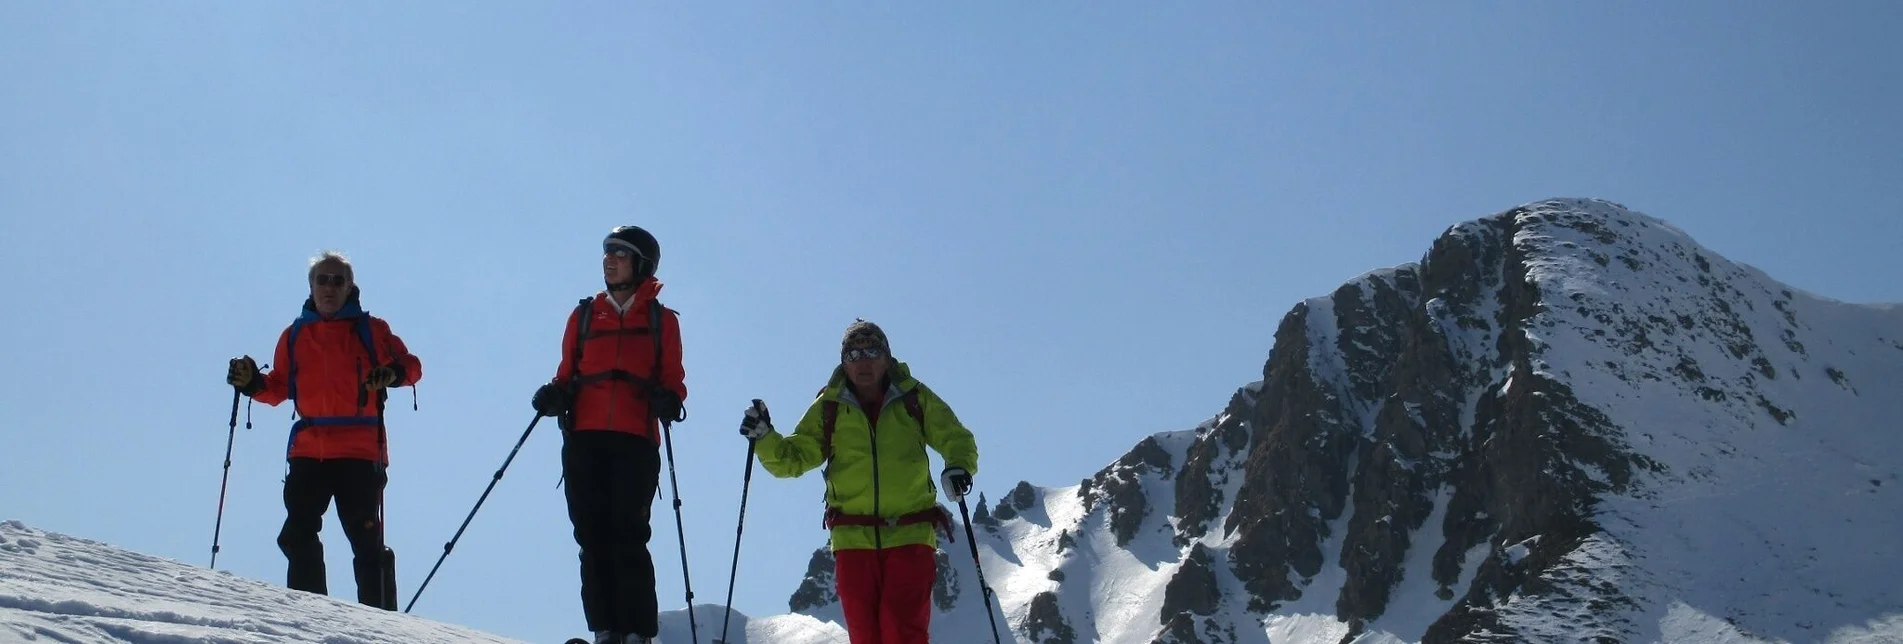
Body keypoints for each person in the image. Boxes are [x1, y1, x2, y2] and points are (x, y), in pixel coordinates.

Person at [741, 319, 979, 644]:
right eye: (853, 355)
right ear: (844, 363)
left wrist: (959, 466)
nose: (862, 361)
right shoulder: (830, 408)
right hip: (853, 538)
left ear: (887, 358)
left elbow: (955, 436)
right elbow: (792, 458)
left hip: (910, 533)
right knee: (865, 636)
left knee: (902, 629)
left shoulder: (914, 398)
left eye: (871, 351)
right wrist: (765, 437)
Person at [225, 250, 422, 610]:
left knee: (365, 541)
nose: (329, 287)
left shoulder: (372, 330)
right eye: (323, 280)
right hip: (309, 450)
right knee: (298, 533)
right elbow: (280, 387)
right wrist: (253, 383)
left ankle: (381, 624)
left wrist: (392, 374)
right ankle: (311, 615)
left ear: (350, 287)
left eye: (337, 281)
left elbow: (411, 367)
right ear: (311, 286)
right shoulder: (294, 336)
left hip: (359, 452)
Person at [532, 225, 687, 644]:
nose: (610, 258)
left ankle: (637, 634)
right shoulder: (583, 316)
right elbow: (567, 374)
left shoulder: (661, 320)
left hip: (635, 441)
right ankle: (606, 632)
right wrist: (553, 393)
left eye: (620, 252)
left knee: (627, 534)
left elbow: (674, 379)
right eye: (607, 252)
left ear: (642, 264)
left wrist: (670, 400)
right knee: (591, 536)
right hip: (584, 438)